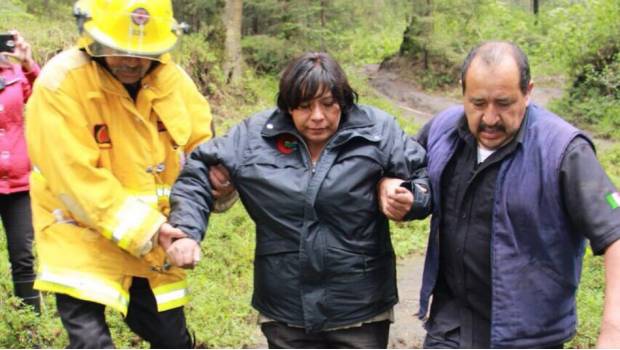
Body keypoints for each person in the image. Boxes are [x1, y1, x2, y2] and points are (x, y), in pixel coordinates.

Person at [165, 52, 432, 348]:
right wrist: (187, 231)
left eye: (328, 104)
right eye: (305, 106)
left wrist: (408, 194)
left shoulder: (376, 131)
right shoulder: (254, 138)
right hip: (285, 310)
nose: (317, 116)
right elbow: (198, 171)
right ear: (288, 106)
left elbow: (427, 176)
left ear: (343, 101)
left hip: (361, 309)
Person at [379, 41, 620, 348]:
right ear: (462, 91)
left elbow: (615, 232)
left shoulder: (562, 151)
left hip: (528, 338)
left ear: (528, 91)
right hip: (451, 328)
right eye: (478, 103)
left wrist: (614, 332)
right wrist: (389, 188)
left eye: (504, 103)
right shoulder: (443, 130)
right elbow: (406, 172)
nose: (490, 118)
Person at [24, 0, 229, 347]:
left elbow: (200, 147)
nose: (132, 61)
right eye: (119, 50)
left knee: (172, 339)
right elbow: (76, 178)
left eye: (144, 52)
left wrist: (219, 183)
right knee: (91, 341)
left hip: (155, 246)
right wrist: (153, 229)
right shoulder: (61, 84)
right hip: (81, 237)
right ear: (91, 36)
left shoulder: (173, 81)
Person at [0, 30, 40, 313]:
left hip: (17, 182)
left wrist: (28, 63)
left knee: (23, 257)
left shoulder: (14, 72)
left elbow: (45, 97)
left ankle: (30, 327)